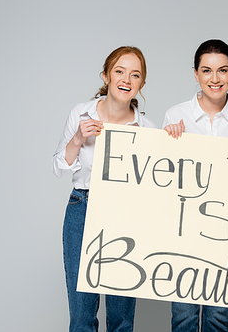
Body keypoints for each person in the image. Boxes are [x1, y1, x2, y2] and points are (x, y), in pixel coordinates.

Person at [52, 46, 157, 332]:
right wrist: (77, 138)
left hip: (125, 215)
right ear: (106, 76)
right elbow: (59, 168)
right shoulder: (81, 112)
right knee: (82, 313)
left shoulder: (147, 128)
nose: (126, 79)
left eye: (135, 75)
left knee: (121, 316)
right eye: (119, 71)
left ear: (141, 83)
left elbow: (153, 187)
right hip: (82, 209)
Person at [162, 39, 228, 332]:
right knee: (184, 315)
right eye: (207, 71)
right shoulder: (174, 115)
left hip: (227, 230)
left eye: (222, 71)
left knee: (218, 315)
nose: (214, 79)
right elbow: (159, 179)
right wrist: (166, 142)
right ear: (195, 74)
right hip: (184, 228)